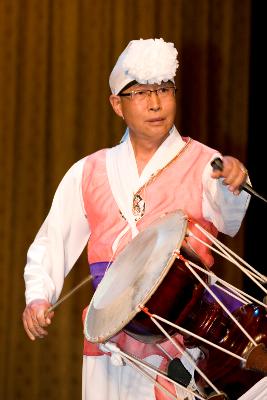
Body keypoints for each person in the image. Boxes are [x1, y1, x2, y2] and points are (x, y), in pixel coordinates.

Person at [22, 38, 251, 400]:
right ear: (117, 104)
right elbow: (53, 240)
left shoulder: (206, 161)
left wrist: (234, 182)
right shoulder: (89, 171)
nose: (156, 103)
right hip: (112, 342)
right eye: (142, 93)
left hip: (186, 336)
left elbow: (229, 215)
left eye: (164, 89)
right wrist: (38, 296)